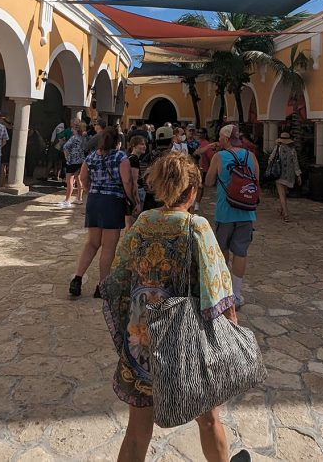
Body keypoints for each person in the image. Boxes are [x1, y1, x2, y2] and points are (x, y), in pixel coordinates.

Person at [100, 151, 244, 462]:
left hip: (142, 338)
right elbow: (218, 288)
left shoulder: (142, 222)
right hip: (184, 340)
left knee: (137, 432)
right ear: (192, 191)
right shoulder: (197, 226)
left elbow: (118, 275)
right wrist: (231, 329)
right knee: (208, 419)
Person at [71, 128, 136, 298]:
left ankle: (77, 279)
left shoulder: (91, 156)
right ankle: (102, 286)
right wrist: (132, 200)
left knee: (92, 243)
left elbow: (83, 178)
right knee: (108, 247)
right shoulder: (120, 157)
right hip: (113, 202)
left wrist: (89, 190)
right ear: (118, 142)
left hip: (94, 201)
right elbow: (127, 181)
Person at [202, 124, 259, 306]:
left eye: (220, 137)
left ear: (226, 139)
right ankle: (236, 294)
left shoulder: (219, 157)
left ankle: (224, 291)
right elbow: (256, 181)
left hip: (225, 212)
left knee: (223, 251)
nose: (218, 140)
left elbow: (209, 182)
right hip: (246, 212)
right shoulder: (250, 156)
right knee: (240, 253)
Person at [267, 132, 301, 222]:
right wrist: (298, 175)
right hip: (289, 175)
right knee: (284, 193)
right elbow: (296, 163)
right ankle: (282, 210)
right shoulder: (292, 150)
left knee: (281, 195)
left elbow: (271, 159)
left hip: (279, 174)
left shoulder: (278, 148)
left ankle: (286, 214)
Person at [60, 121, 87, 208]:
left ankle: (67, 200)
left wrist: (67, 158)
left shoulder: (73, 138)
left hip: (72, 161)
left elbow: (65, 147)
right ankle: (79, 198)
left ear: (75, 129)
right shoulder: (83, 138)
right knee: (79, 180)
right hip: (81, 161)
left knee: (70, 181)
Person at [125, 134, 147, 226]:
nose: (144, 146)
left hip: (131, 194)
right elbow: (134, 182)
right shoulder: (134, 159)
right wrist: (137, 202)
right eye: (141, 144)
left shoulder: (130, 158)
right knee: (134, 225)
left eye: (144, 144)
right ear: (134, 146)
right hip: (136, 193)